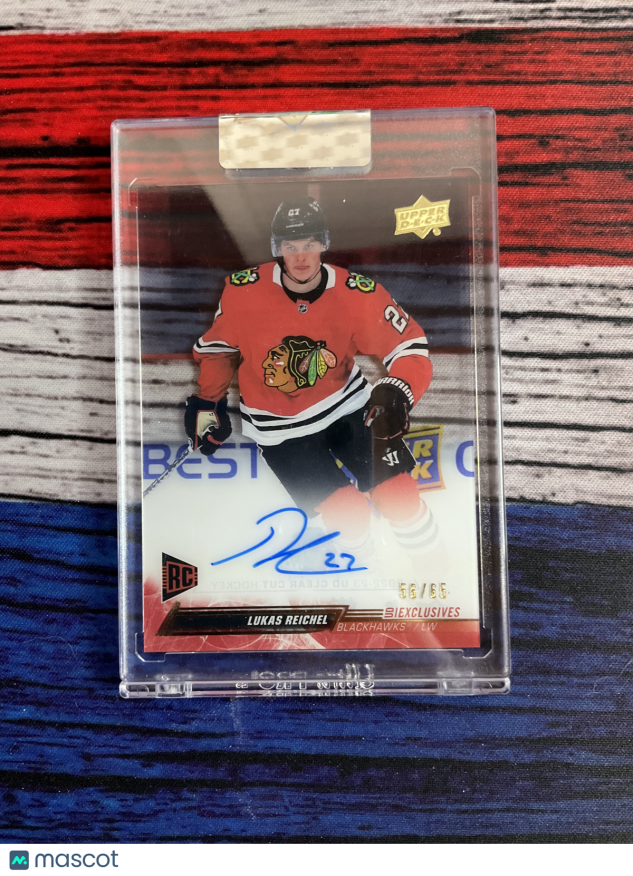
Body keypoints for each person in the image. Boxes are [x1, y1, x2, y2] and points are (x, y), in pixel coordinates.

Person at [185, 197, 437, 559]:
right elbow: (219, 350)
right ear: (278, 248)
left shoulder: (355, 293)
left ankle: (434, 566)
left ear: (323, 243)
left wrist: (398, 391)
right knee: (349, 514)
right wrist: (208, 402)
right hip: (280, 431)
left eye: (309, 244)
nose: (301, 256)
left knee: (400, 496)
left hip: (348, 408)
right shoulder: (243, 292)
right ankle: (360, 569)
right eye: (291, 247)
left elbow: (408, 345)